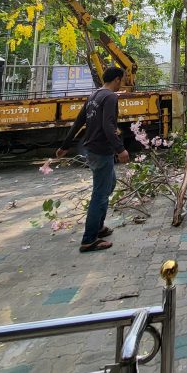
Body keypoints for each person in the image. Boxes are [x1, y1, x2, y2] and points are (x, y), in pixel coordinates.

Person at [56, 66, 130, 252]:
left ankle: (98, 226)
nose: (122, 83)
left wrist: (65, 145)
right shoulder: (110, 97)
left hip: (92, 149)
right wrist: (120, 149)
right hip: (101, 150)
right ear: (117, 79)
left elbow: (79, 122)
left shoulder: (94, 96)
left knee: (110, 184)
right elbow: (108, 125)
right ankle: (89, 239)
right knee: (100, 193)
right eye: (122, 80)